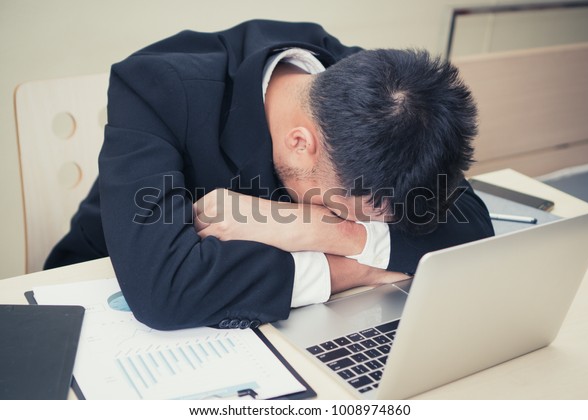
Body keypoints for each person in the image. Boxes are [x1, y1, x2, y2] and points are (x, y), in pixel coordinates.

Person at [44, 20, 494, 330]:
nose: (349, 219)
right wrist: (348, 271)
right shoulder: (155, 86)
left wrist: (326, 230)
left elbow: (473, 229)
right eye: (340, 209)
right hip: (94, 297)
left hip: (270, 317)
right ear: (300, 142)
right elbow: (165, 289)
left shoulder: (389, 98)